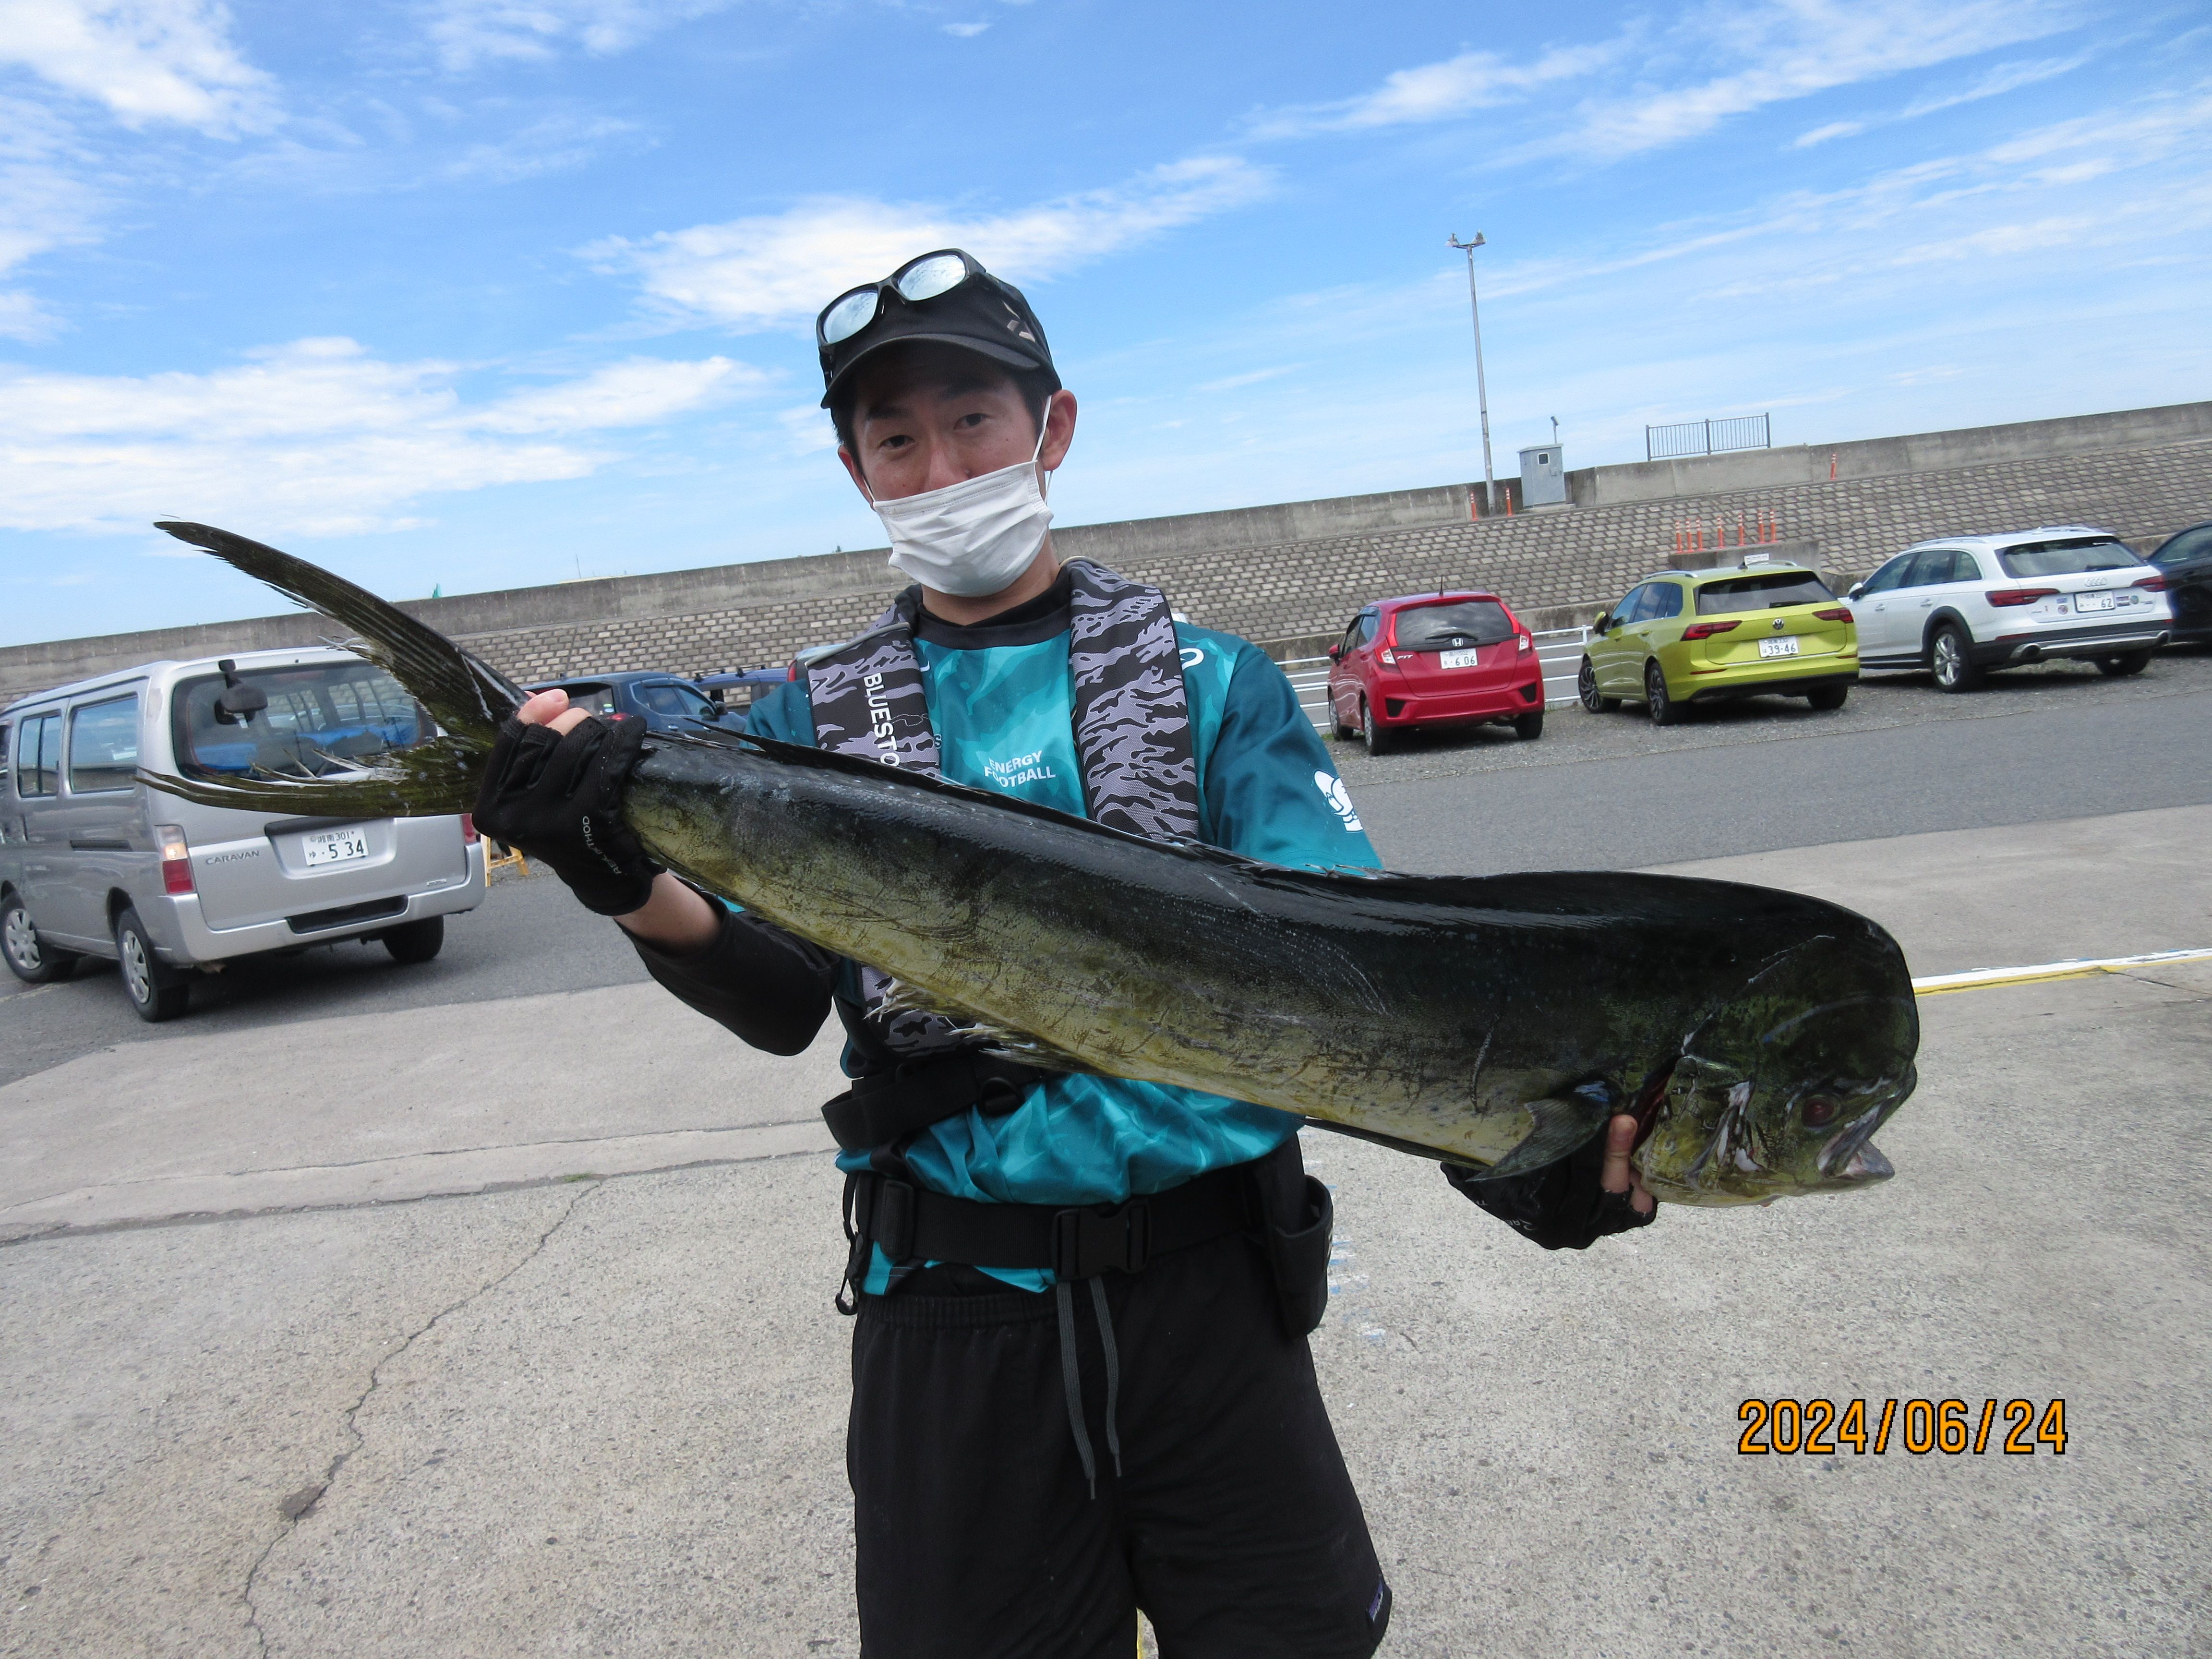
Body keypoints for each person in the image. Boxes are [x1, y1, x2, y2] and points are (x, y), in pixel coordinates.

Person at [472, 248, 1654, 1659]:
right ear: (855, 472)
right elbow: (784, 1001)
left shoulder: (1216, 683)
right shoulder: (803, 725)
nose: (941, 468)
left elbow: (1349, 990)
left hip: (1215, 1295)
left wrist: (1523, 1149)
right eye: (896, 441)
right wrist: (616, 879)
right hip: (951, 1309)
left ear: (1055, 427)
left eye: (974, 420)